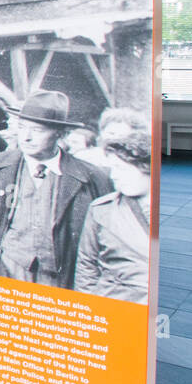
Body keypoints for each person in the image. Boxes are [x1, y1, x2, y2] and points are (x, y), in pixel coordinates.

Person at [0, 90, 111, 288]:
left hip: (61, 282)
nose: (26, 137)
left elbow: (106, 241)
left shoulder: (91, 178)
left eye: (36, 130)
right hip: (4, 273)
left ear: (60, 133)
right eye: (22, 128)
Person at [75, 127, 151, 303]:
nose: (113, 176)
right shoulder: (101, 209)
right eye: (112, 169)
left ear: (147, 167)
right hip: (114, 302)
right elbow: (86, 266)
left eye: (121, 168)